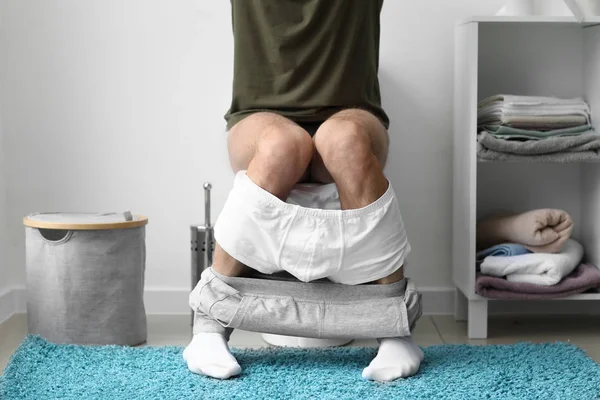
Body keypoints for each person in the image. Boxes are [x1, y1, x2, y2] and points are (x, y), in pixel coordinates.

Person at [183, 0, 423, 382]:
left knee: (344, 140)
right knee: (282, 146)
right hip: (259, 116)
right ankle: (209, 326)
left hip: (352, 112)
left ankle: (394, 330)